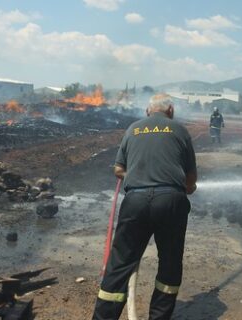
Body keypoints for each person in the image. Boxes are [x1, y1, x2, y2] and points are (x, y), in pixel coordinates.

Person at [93, 93, 197, 320]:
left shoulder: (133, 129)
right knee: (170, 263)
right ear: (171, 111)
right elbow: (190, 180)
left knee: (120, 264)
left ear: (147, 112)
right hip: (171, 201)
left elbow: (118, 169)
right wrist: (188, 188)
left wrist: (137, 175)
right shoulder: (180, 130)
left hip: (136, 202)